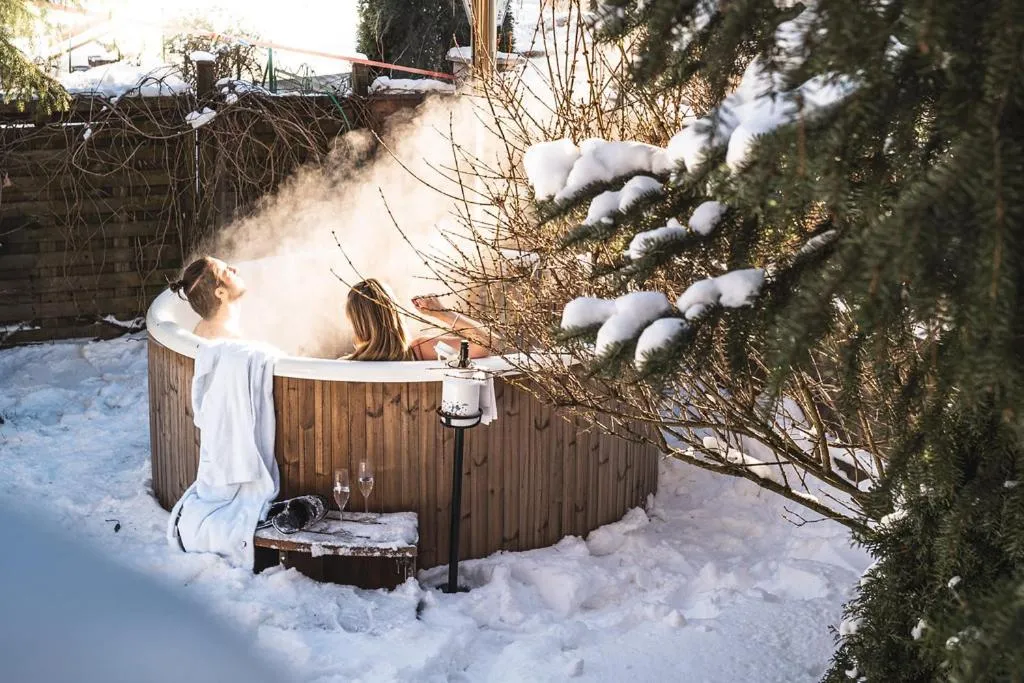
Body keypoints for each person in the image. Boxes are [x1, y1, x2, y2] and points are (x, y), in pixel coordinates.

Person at [344, 278, 499, 361]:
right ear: (394, 315)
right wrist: (442, 313)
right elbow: (488, 342)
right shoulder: (419, 351)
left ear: (357, 323)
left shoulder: (342, 367)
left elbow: (489, 343)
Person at [168, 256, 246, 340]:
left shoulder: (206, 326)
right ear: (220, 293)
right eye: (227, 271)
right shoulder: (227, 337)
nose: (235, 269)